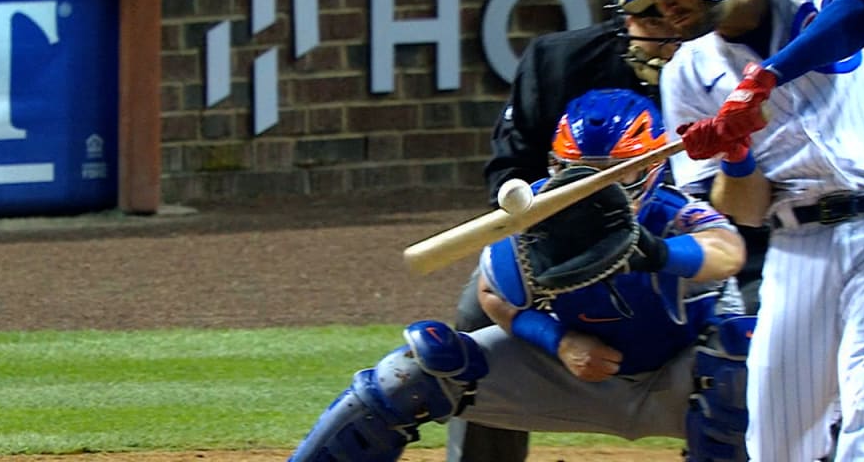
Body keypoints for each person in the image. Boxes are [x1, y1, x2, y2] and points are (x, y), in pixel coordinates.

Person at [288, 88, 753, 462]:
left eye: (613, 175)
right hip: (573, 374)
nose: (593, 190)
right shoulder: (535, 215)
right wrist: (559, 342)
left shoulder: (674, 214)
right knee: (410, 375)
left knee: (737, 358)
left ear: (651, 170)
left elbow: (726, 252)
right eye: (578, 174)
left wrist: (649, 252)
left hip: (678, 381)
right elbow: (494, 296)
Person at [447, 0, 767, 462]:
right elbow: (510, 169)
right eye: (650, 22)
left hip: (708, 238)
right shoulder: (561, 62)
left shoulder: (744, 70)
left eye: (682, 24)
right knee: (477, 311)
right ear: (626, 20)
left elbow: (754, 214)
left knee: (766, 333)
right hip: (568, 244)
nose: (667, 37)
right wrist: (553, 230)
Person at [620, 0, 864, 461]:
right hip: (799, 245)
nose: (663, 6)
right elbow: (740, 212)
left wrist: (765, 79)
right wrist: (737, 154)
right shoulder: (687, 72)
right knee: (774, 440)